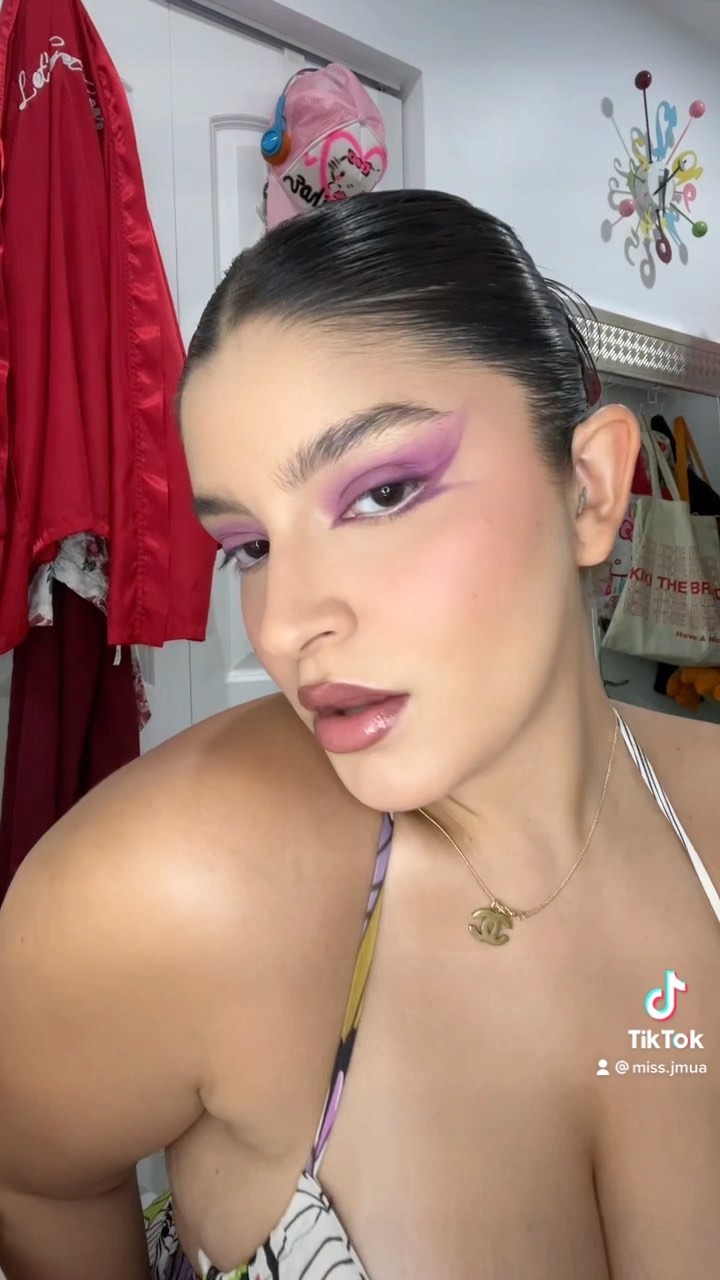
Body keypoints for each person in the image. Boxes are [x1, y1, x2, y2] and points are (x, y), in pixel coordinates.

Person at [0, 190, 718, 1280]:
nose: (288, 623)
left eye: (381, 494)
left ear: (588, 488)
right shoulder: (171, 884)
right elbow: (29, 1175)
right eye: (249, 544)